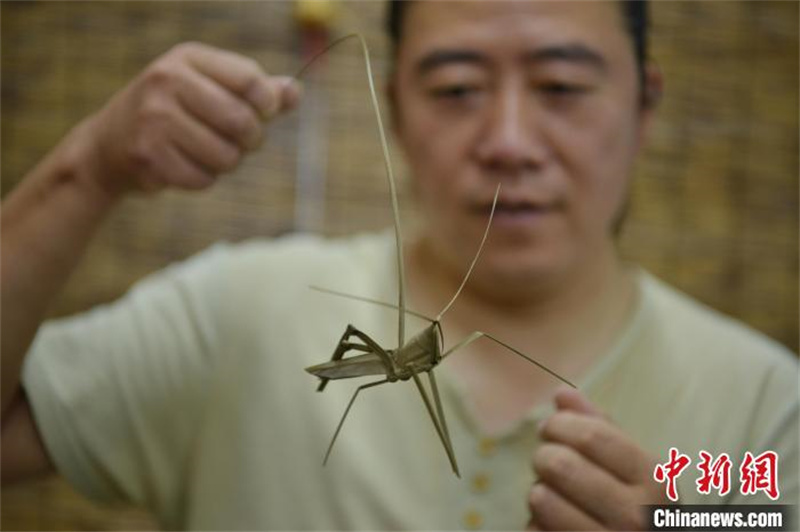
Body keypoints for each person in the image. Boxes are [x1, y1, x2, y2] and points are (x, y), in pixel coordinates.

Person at [2, 1, 797, 530]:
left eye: (561, 86)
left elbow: (754, 509)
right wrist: (86, 170)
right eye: (456, 89)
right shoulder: (239, 312)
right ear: (397, 111)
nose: (510, 140)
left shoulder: (767, 410)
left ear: (644, 105)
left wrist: (687, 516)